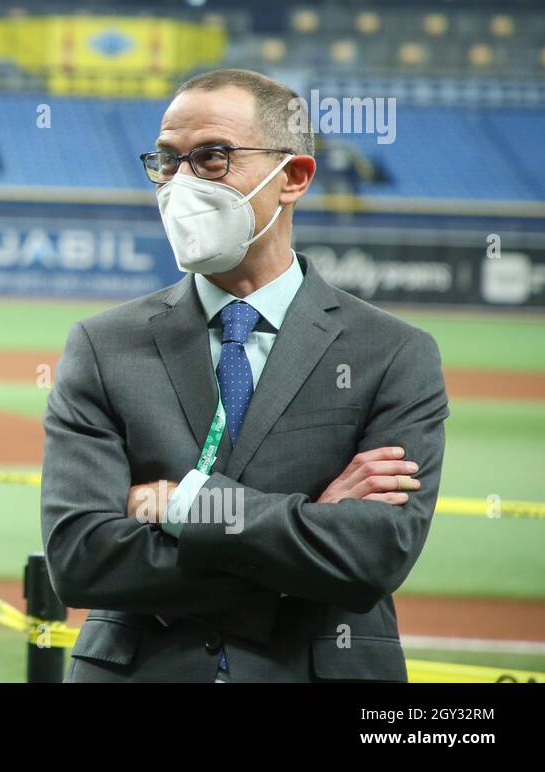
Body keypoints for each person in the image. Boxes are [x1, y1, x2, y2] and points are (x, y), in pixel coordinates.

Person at [40, 68, 448, 682]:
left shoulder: (393, 353)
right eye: (167, 161)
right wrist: (308, 527)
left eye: (211, 158)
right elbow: (82, 560)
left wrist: (181, 505)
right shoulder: (102, 344)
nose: (180, 184)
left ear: (294, 177)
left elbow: (370, 556)